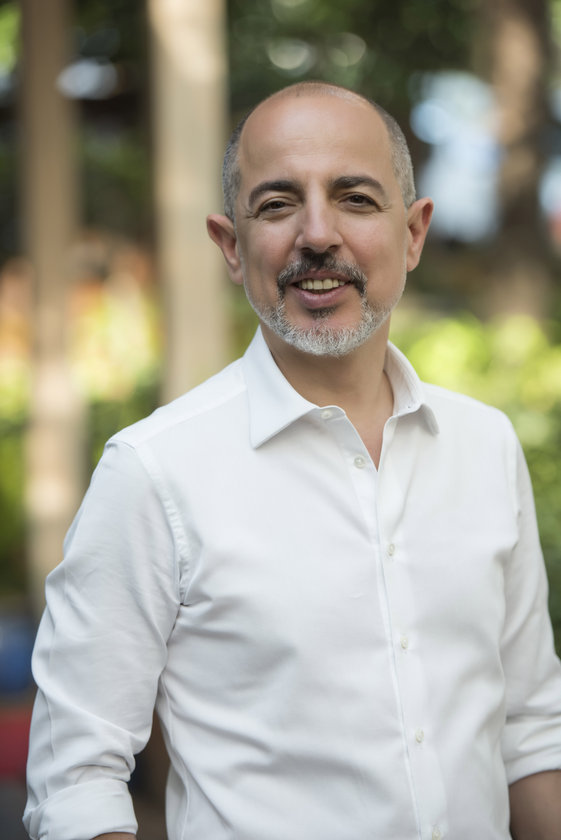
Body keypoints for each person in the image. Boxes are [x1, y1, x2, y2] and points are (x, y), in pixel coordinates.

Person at [24, 82, 561, 840]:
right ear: (230, 246)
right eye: (277, 204)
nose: (317, 234)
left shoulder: (485, 446)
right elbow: (75, 779)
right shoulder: (152, 471)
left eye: (355, 199)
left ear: (413, 233)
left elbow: (530, 730)